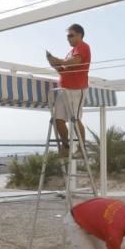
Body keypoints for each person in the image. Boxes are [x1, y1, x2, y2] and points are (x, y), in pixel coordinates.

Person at [46, 23, 91, 157]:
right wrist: (53, 63)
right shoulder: (70, 53)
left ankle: (82, 149)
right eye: (67, 36)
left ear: (80, 35)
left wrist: (59, 60)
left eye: (71, 35)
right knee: (57, 119)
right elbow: (63, 70)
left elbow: (75, 62)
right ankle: (66, 147)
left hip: (77, 89)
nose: (68, 39)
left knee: (75, 119)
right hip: (64, 89)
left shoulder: (83, 47)